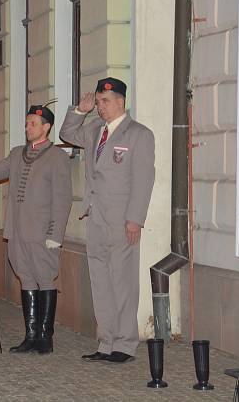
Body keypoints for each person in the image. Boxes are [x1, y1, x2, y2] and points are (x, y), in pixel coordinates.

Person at [59, 77, 155, 364]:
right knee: (100, 281)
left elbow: (144, 179)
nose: (101, 107)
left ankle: (125, 345)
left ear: (121, 102)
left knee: (122, 282)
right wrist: (80, 110)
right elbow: (67, 133)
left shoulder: (139, 134)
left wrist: (135, 219)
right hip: (97, 216)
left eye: (105, 102)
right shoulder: (93, 130)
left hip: (122, 218)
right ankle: (106, 342)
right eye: (98, 101)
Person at [0, 105, 72, 355]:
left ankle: (45, 337)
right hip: (17, 232)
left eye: (33, 123)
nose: (28, 127)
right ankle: (30, 335)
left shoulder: (57, 157)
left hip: (42, 234)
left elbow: (62, 200)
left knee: (44, 279)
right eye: (27, 123)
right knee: (27, 280)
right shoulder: (18, 154)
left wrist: (55, 234)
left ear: (46, 127)